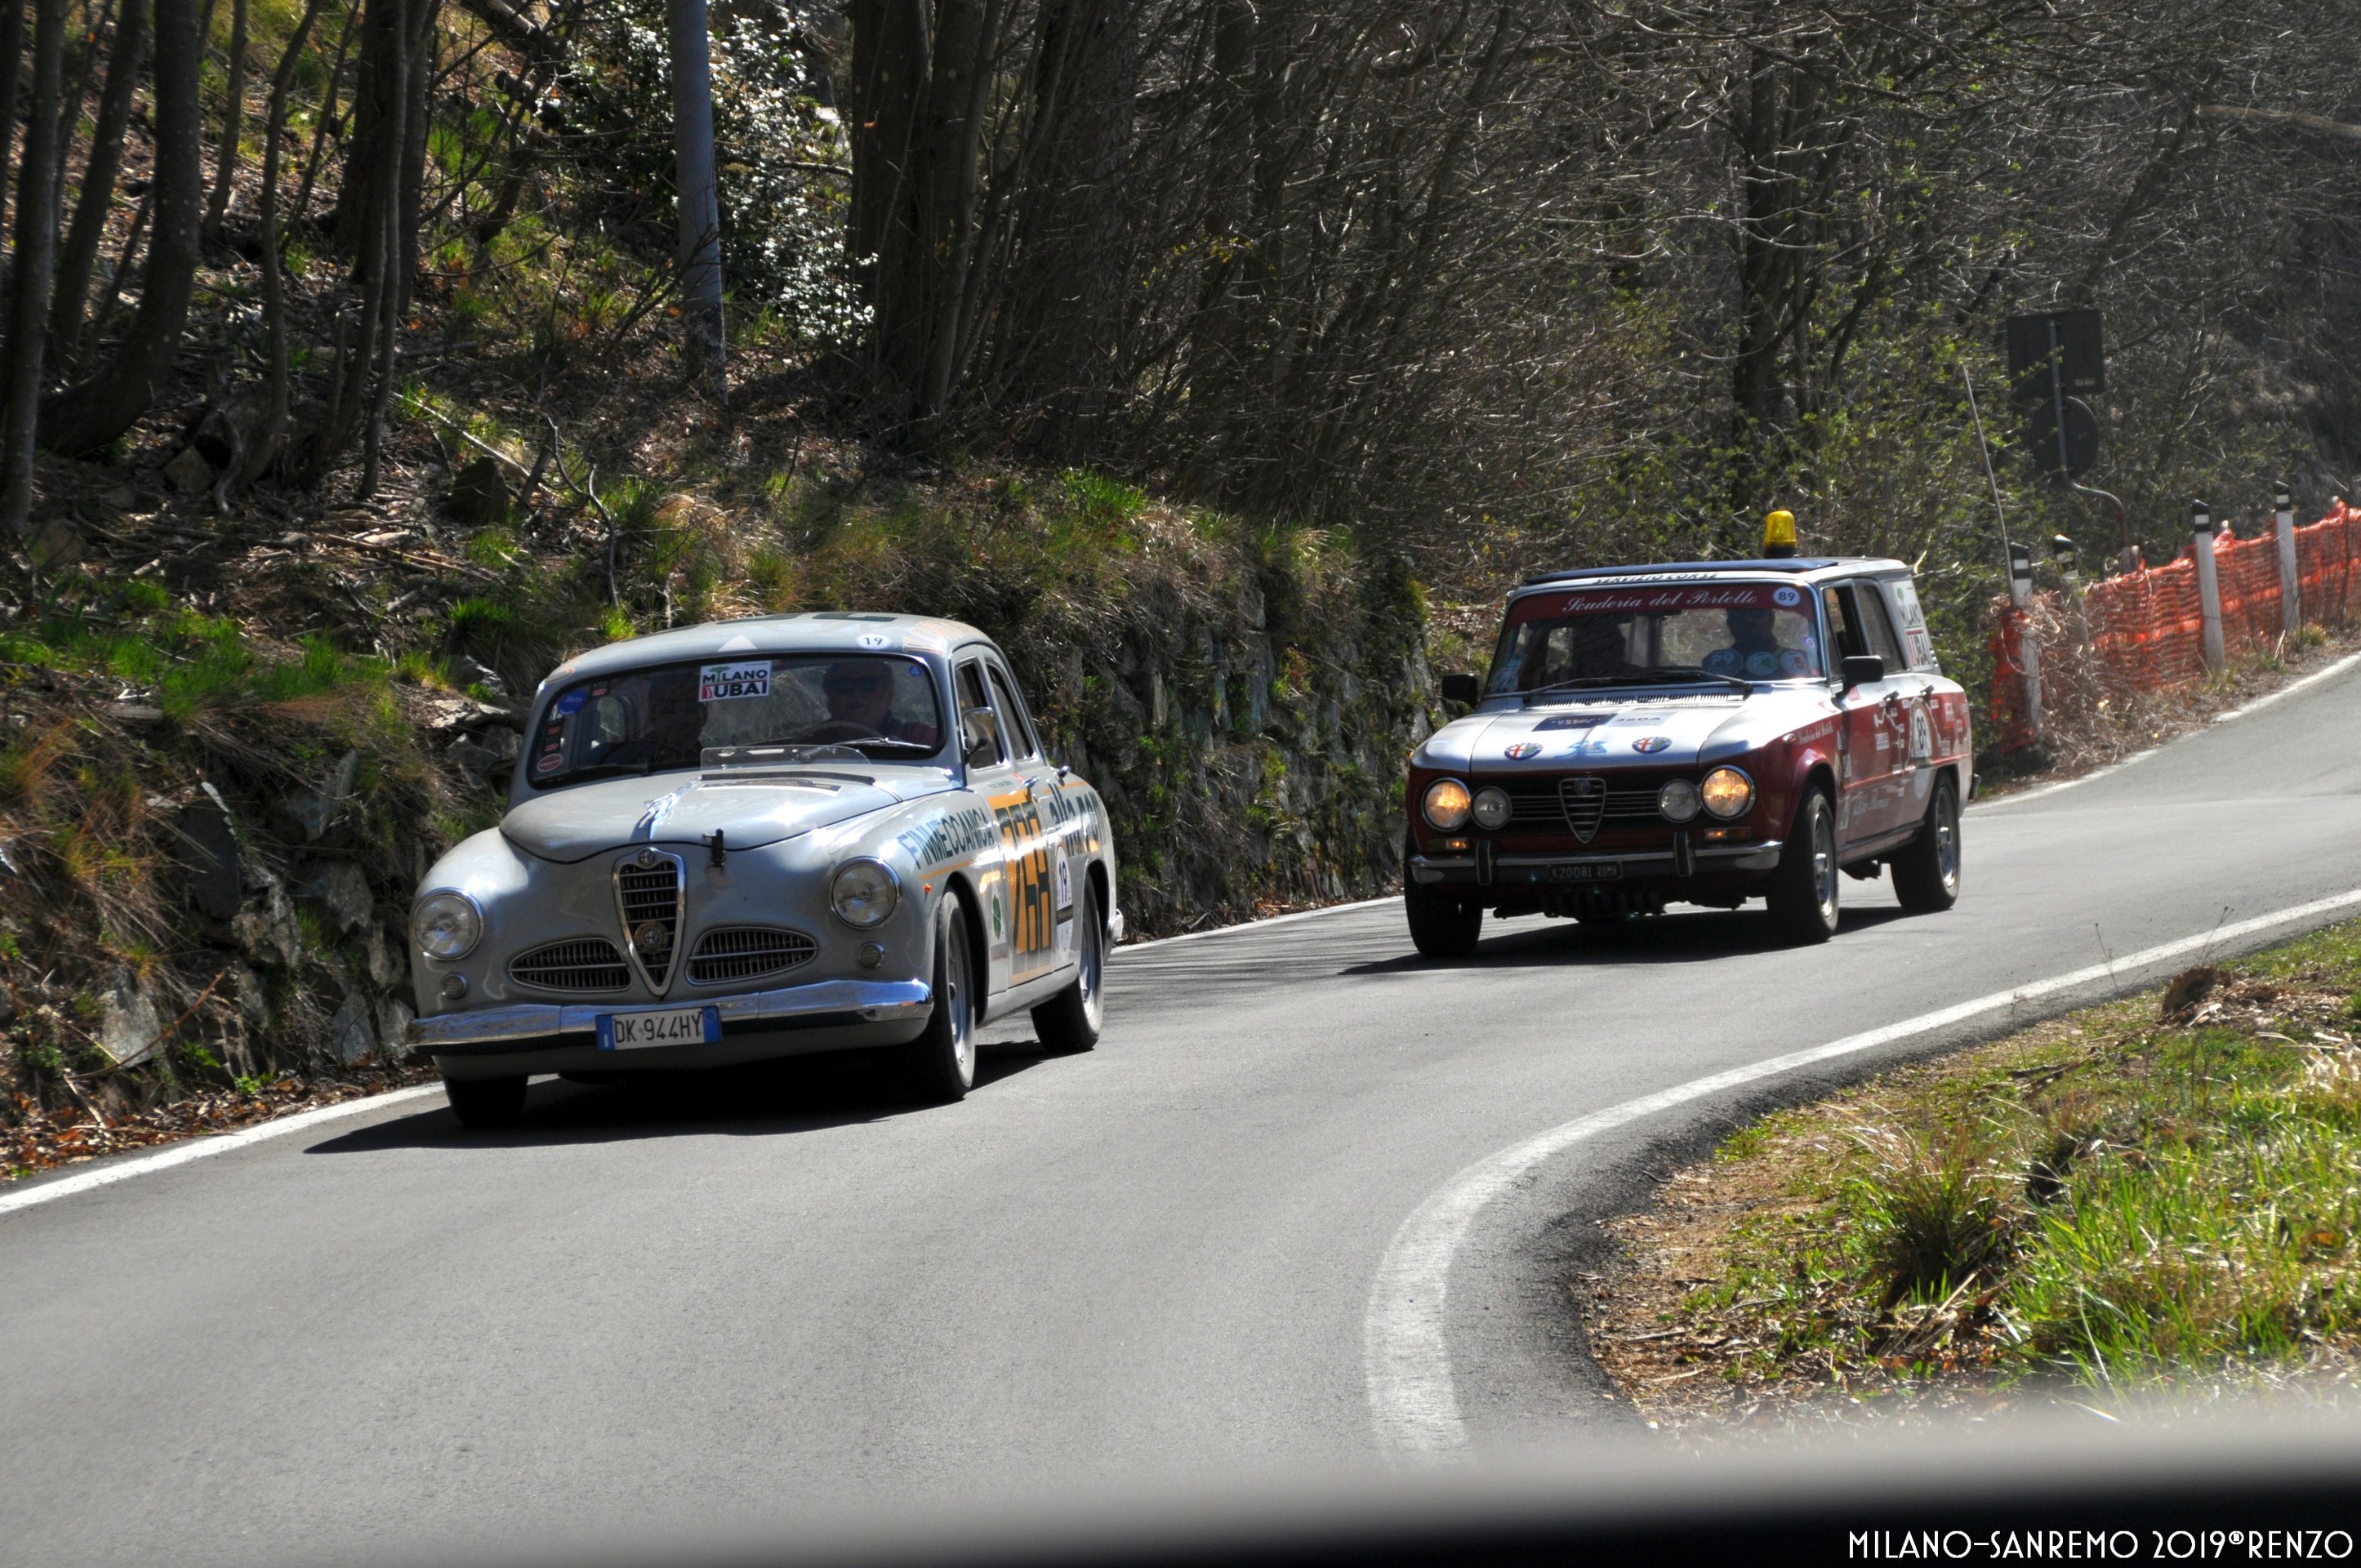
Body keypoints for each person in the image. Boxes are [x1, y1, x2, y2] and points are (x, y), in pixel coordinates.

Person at [814, 659, 941, 747]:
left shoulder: (919, 738)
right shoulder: (812, 742)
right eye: (844, 685)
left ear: (888, 694)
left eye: (869, 684)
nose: (856, 693)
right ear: (830, 695)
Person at [1704, 606, 1784, 678]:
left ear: (1771, 618)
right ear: (1729, 623)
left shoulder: (1789, 662)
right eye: (1737, 616)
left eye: (1755, 613)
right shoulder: (1715, 664)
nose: (1747, 620)